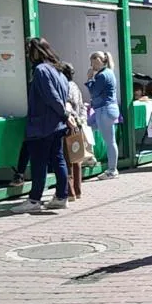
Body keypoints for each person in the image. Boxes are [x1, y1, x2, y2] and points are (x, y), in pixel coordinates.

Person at [14, 38, 72, 214]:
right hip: (56, 124)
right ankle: (62, 196)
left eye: (29, 51)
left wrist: (65, 114)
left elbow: (51, 97)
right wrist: (65, 116)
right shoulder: (59, 70)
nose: (27, 55)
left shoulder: (41, 70)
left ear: (36, 51)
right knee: (58, 159)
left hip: (42, 125)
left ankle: (34, 199)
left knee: (39, 162)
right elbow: (61, 95)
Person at [87, 51, 120, 179]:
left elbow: (94, 92)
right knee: (87, 127)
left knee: (110, 141)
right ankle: (90, 157)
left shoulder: (101, 76)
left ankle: (112, 170)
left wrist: (90, 79)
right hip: (107, 109)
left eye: (93, 62)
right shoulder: (109, 72)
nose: (92, 65)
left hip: (104, 109)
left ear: (99, 61)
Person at [62, 62, 86, 201]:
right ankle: (77, 190)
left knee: (68, 160)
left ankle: (70, 192)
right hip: (77, 125)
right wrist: (81, 120)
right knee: (77, 158)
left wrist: (70, 119)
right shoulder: (75, 86)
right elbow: (82, 106)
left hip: (68, 125)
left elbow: (67, 106)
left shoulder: (65, 87)